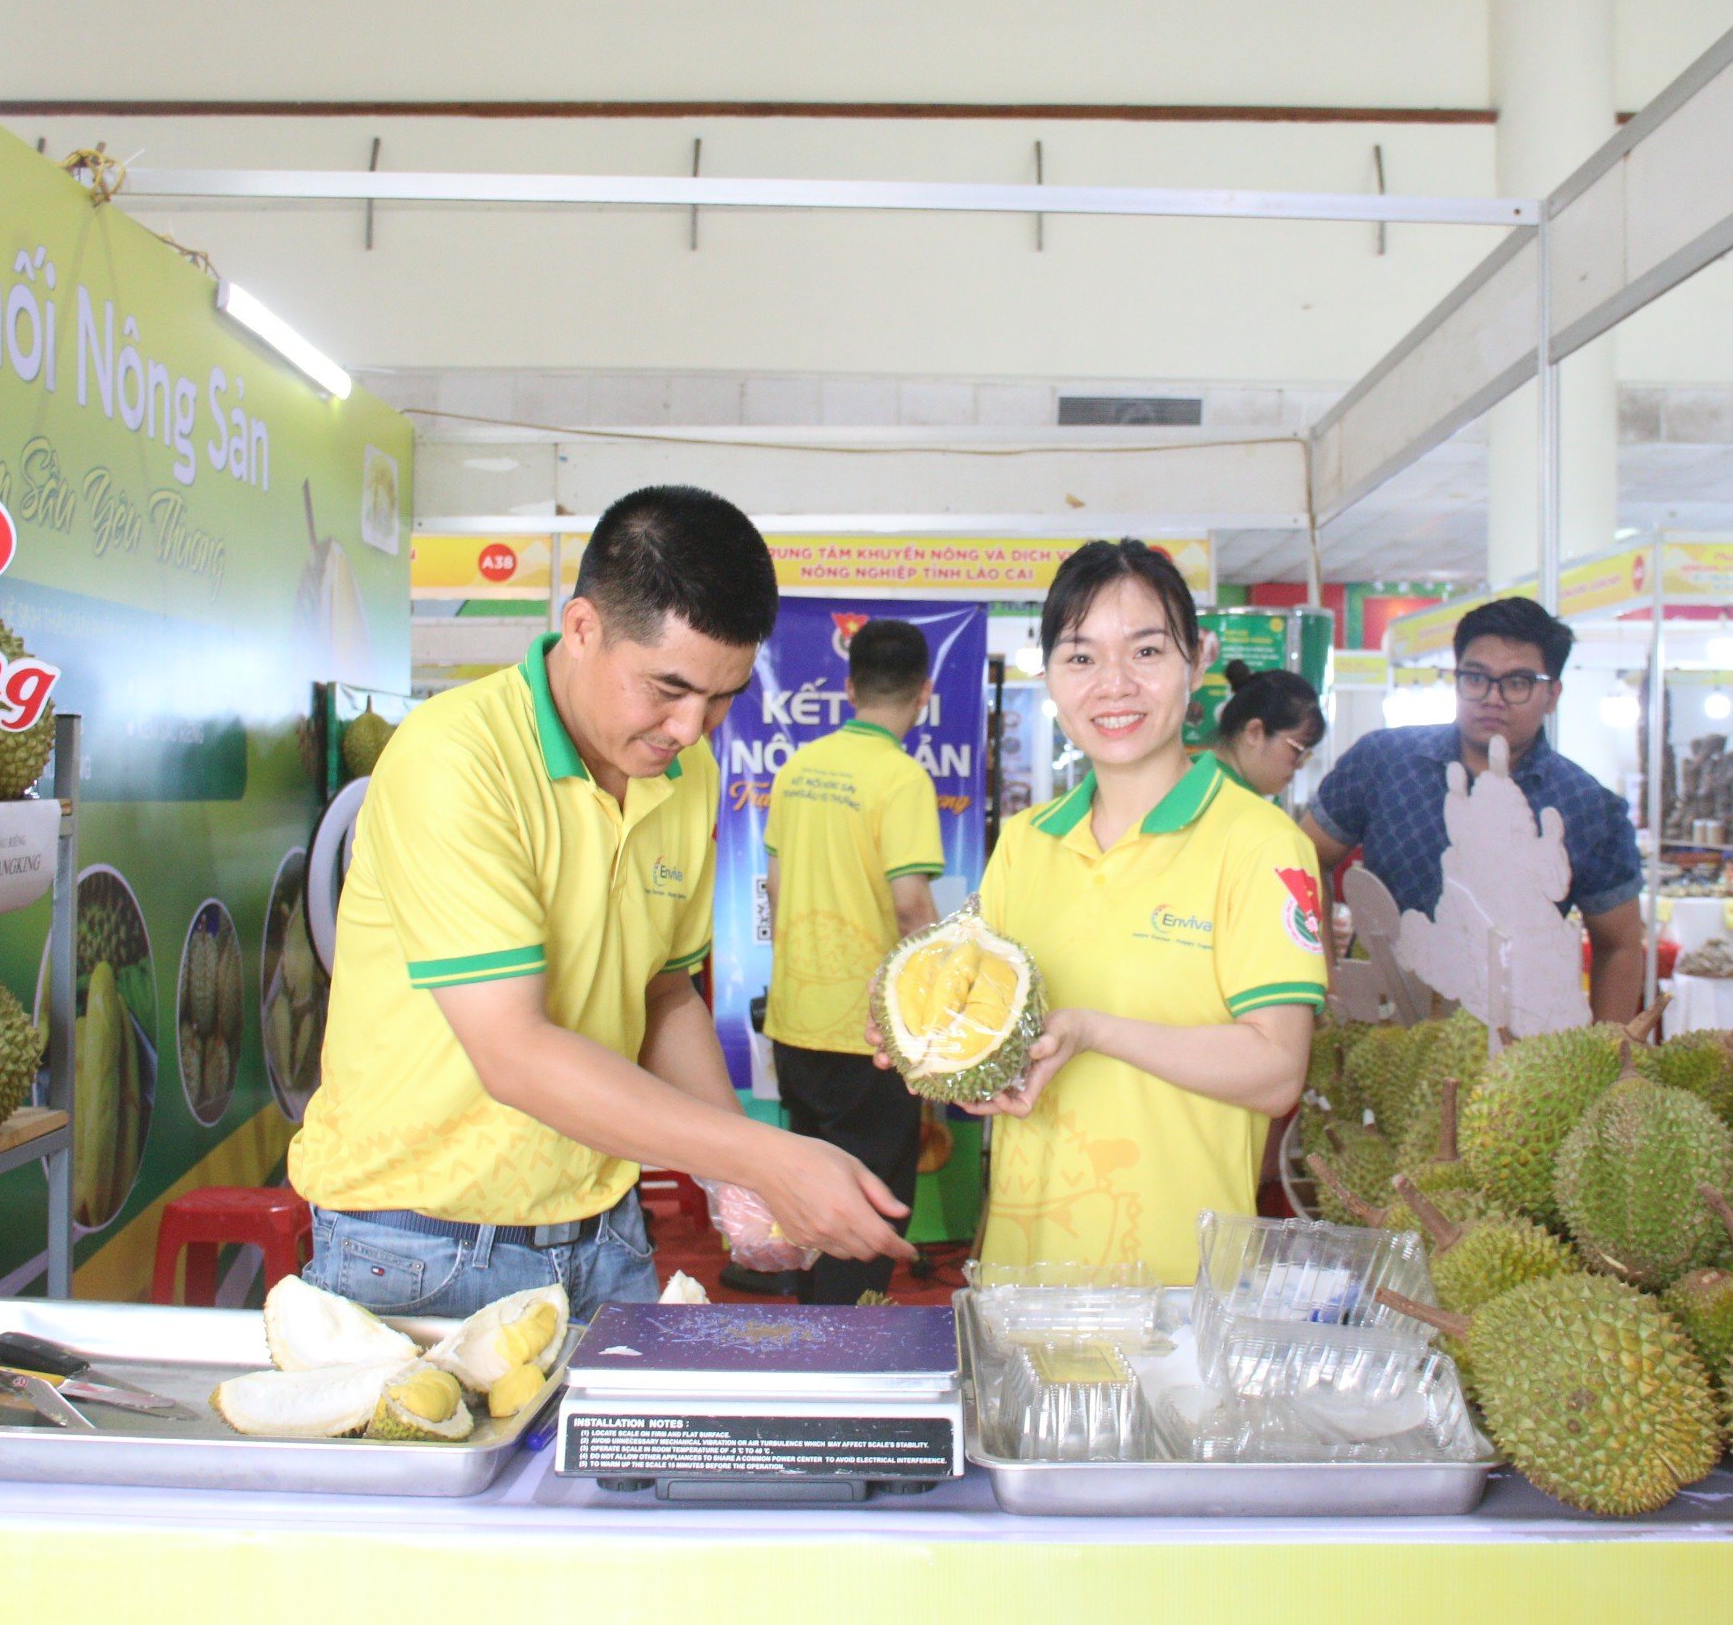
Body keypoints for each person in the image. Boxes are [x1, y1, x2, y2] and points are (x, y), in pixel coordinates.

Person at [290, 485, 913, 1318]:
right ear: (582, 629)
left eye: (722, 698)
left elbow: (661, 991)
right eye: (667, 688)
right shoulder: (455, 758)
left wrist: (733, 1174)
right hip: (418, 1241)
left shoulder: (682, 773)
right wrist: (766, 1156)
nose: (691, 727)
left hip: (603, 1233)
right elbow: (512, 1049)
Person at [897, 540, 1325, 1283]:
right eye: (1081, 657)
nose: (1114, 686)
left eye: (1147, 650)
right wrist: (935, 1048)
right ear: (1051, 678)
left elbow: (1277, 1069)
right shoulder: (1027, 843)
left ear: (1197, 661)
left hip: (1176, 1291)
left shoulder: (1261, 844)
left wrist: (1096, 1031)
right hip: (1021, 1279)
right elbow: (995, 1056)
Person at [1300, 594, 1646, 1023]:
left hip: (1518, 1042)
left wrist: (1608, 1055)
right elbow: (1302, 859)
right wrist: (1326, 983)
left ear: (1552, 694)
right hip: (1383, 1025)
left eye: (1517, 682)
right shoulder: (1384, 761)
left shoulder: (1585, 804)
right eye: (1476, 678)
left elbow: (1621, 943)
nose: (1492, 698)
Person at [762, 619, 945, 1304]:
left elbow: (775, 891)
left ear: (848, 687)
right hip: (872, 1033)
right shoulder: (900, 779)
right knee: (870, 1201)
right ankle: (845, 1343)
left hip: (796, 1018)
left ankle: (813, 1328)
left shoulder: (798, 769)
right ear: (923, 692)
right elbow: (911, 909)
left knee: (809, 1191)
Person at [1210, 661, 1327, 801]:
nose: (1300, 765)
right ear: (1255, 733)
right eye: (1297, 750)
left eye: (1306, 755)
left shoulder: (1201, 776)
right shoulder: (1233, 803)